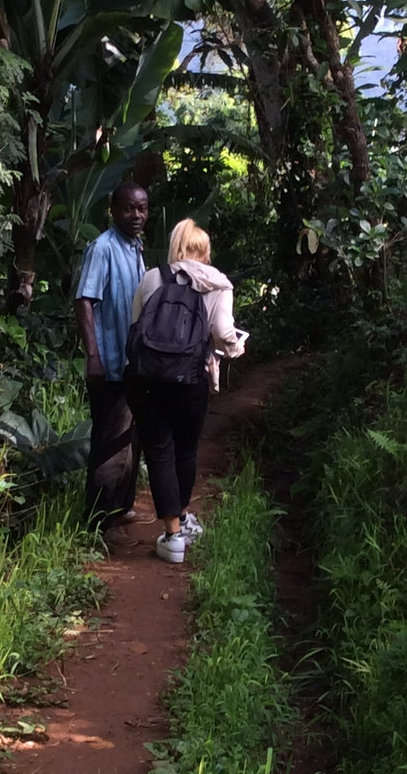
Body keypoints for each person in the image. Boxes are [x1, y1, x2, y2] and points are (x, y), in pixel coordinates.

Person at [127, 218, 246, 563]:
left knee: (160, 451)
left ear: (176, 247)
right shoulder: (218, 284)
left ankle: (172, 534)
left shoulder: (153, 277)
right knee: (186, 449)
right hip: (190, 379)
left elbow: (136, 326)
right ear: (205, 251)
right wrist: (236, 348)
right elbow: (224, 332)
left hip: (148, 379)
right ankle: (179, 519)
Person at [74, 182, 149, 543]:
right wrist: (93, 356)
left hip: (133, 363)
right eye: (129, 209)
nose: (136, 216)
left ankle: (121, 507)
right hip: (109, 362)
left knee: (130, 438)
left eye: (142, 209)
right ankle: (97, 521)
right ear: (113, 210)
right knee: (109, 442)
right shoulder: (102, 249)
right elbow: (84, 300)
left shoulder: (135, 248)